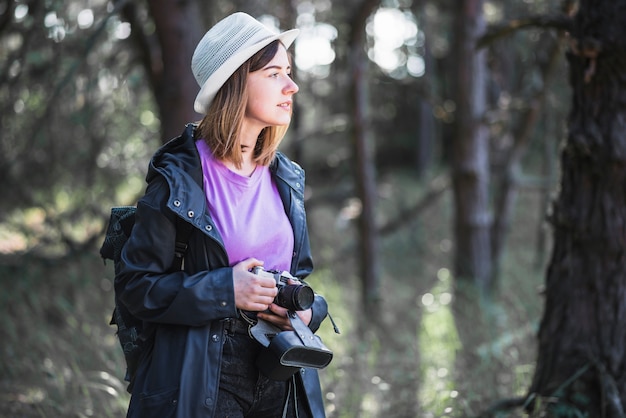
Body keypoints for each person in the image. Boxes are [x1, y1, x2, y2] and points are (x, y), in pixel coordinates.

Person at [115, 12, 330, 418]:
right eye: (273, 74)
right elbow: (136, 286)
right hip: (203, 376)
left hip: (282, 369)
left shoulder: (286, 177)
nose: (292, 85)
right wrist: (225, 289)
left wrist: (306, 311)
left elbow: (300, 277)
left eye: (289, 71)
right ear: (234, 83)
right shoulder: (179, 178)